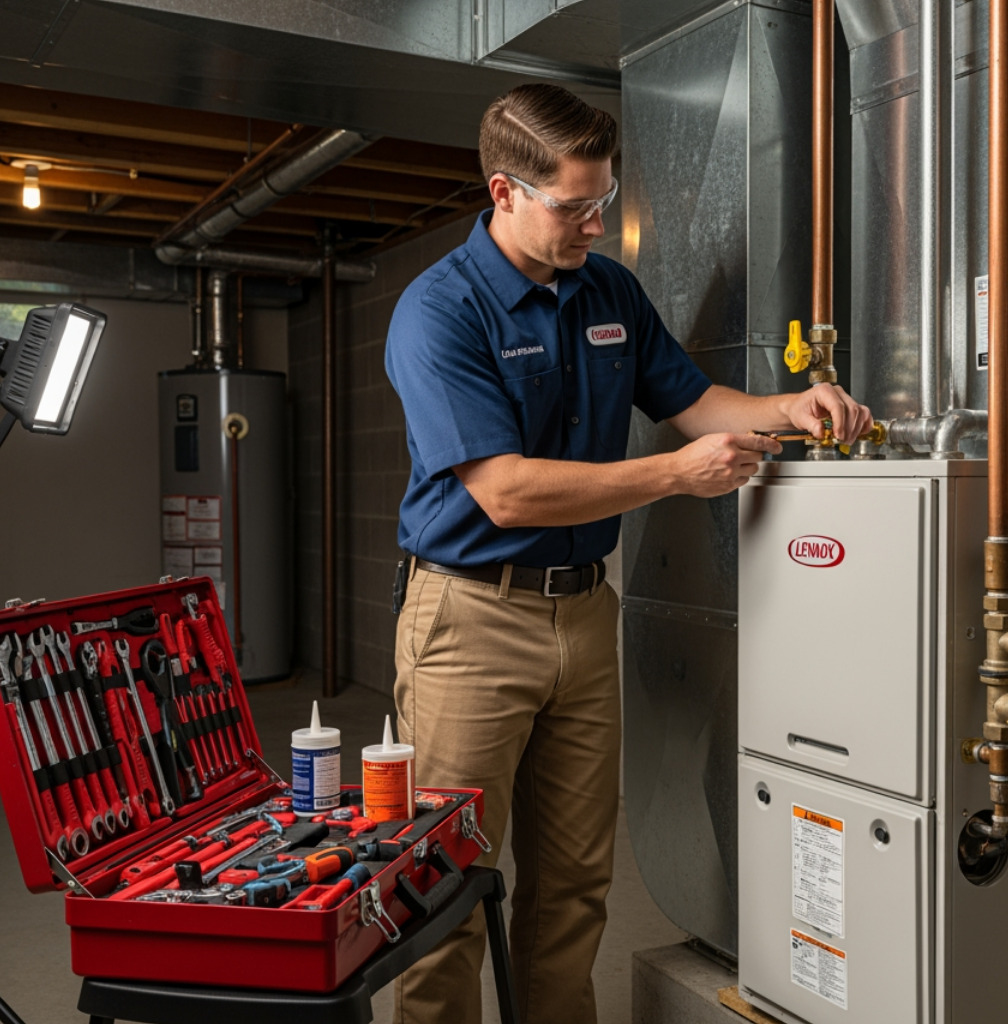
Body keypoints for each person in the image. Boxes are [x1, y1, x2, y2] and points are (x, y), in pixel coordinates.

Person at [384, 82, 871, 1024]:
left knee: (572, 886)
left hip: (584, 612)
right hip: (470, 621)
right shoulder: (438, 311)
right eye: (574, 207)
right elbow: (505, 489)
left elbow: (693, 403)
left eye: (603, 201)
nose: (595, 226)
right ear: (504, 192)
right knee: (443, 887)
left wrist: (789, 409)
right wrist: (673, 478)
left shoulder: (607, 289)